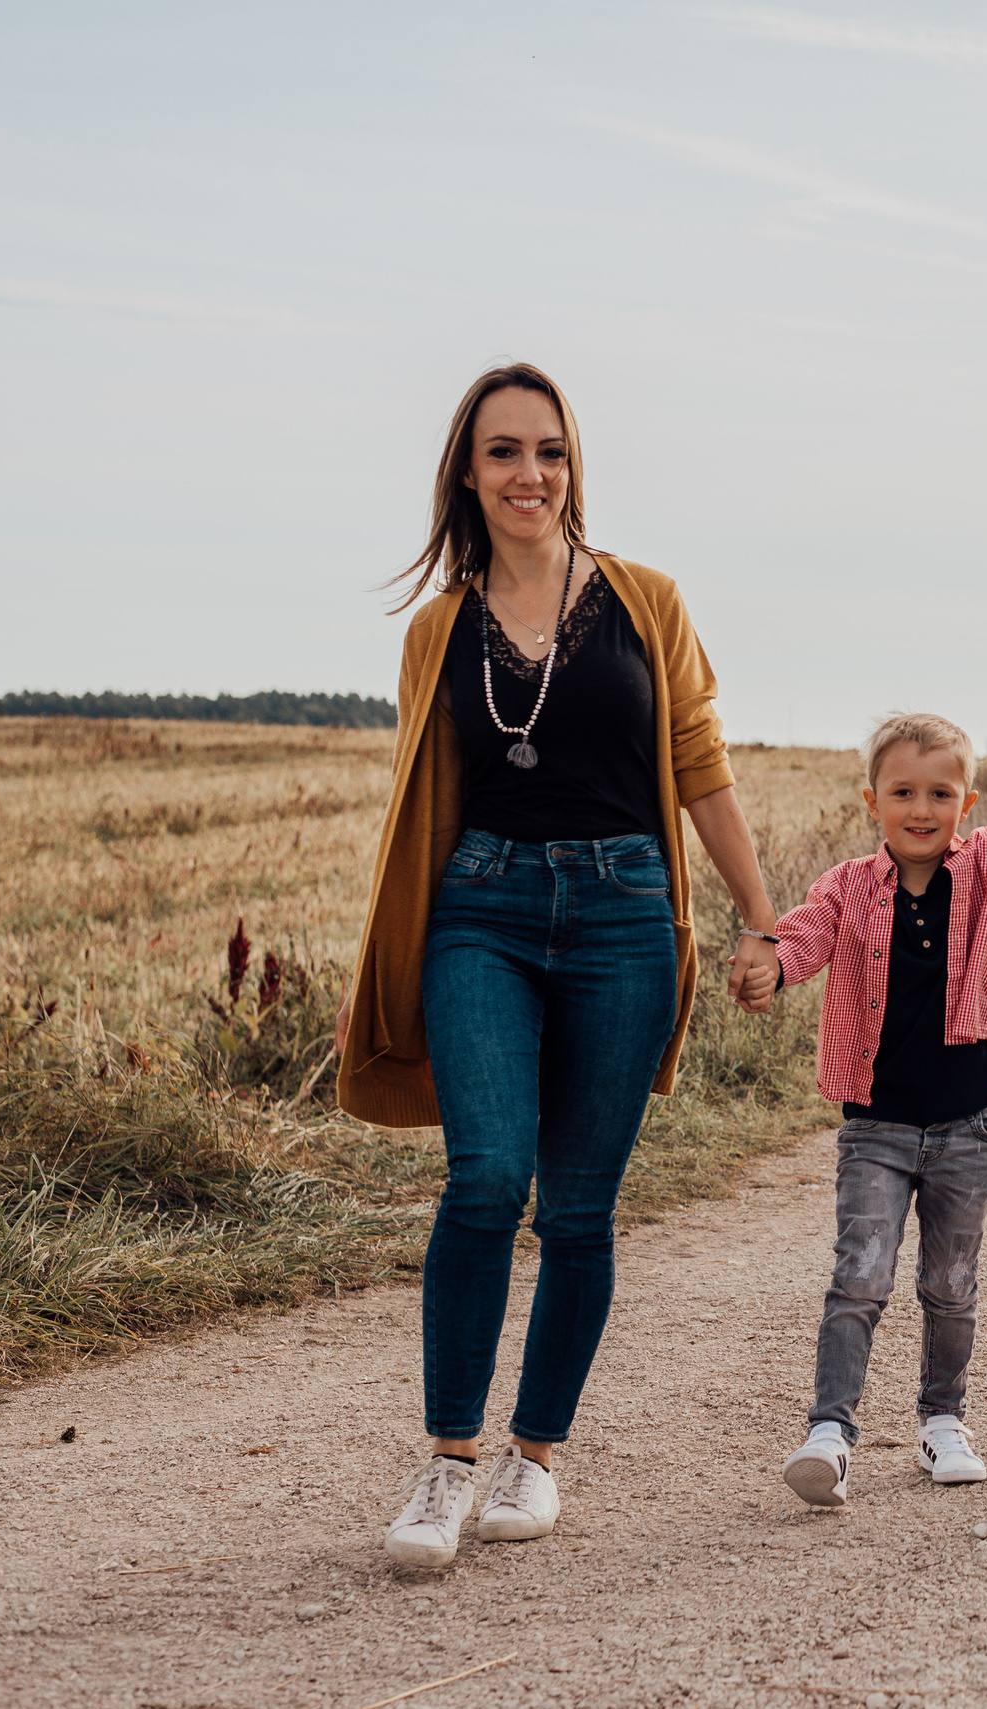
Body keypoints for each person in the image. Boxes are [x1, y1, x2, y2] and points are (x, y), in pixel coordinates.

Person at [335, 362, 785, 1568]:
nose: (529, 473)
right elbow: (421, 799)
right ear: (467, 474)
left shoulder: (645, 599)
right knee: (486, 1178)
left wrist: (760, 917)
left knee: (580, 1209)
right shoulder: (440, 627)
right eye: (503, 452)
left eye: (550, 451)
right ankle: (445, 1462)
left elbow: (697, 755)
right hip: (479, 907)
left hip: (624, 912)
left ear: (573, 467)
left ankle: (534, 1458)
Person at [773, 706, 987, 1506]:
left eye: (940, 793)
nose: (921, 809)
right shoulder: (847, 886)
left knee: (951, 1284)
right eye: (903, 792)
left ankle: (941, 1420)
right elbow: (805, 936)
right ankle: (830, 1431)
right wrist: (773, 966)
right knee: (860, 1275)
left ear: (966, 802)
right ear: (871, 801)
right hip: (875, 1125)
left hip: (967, 1124)